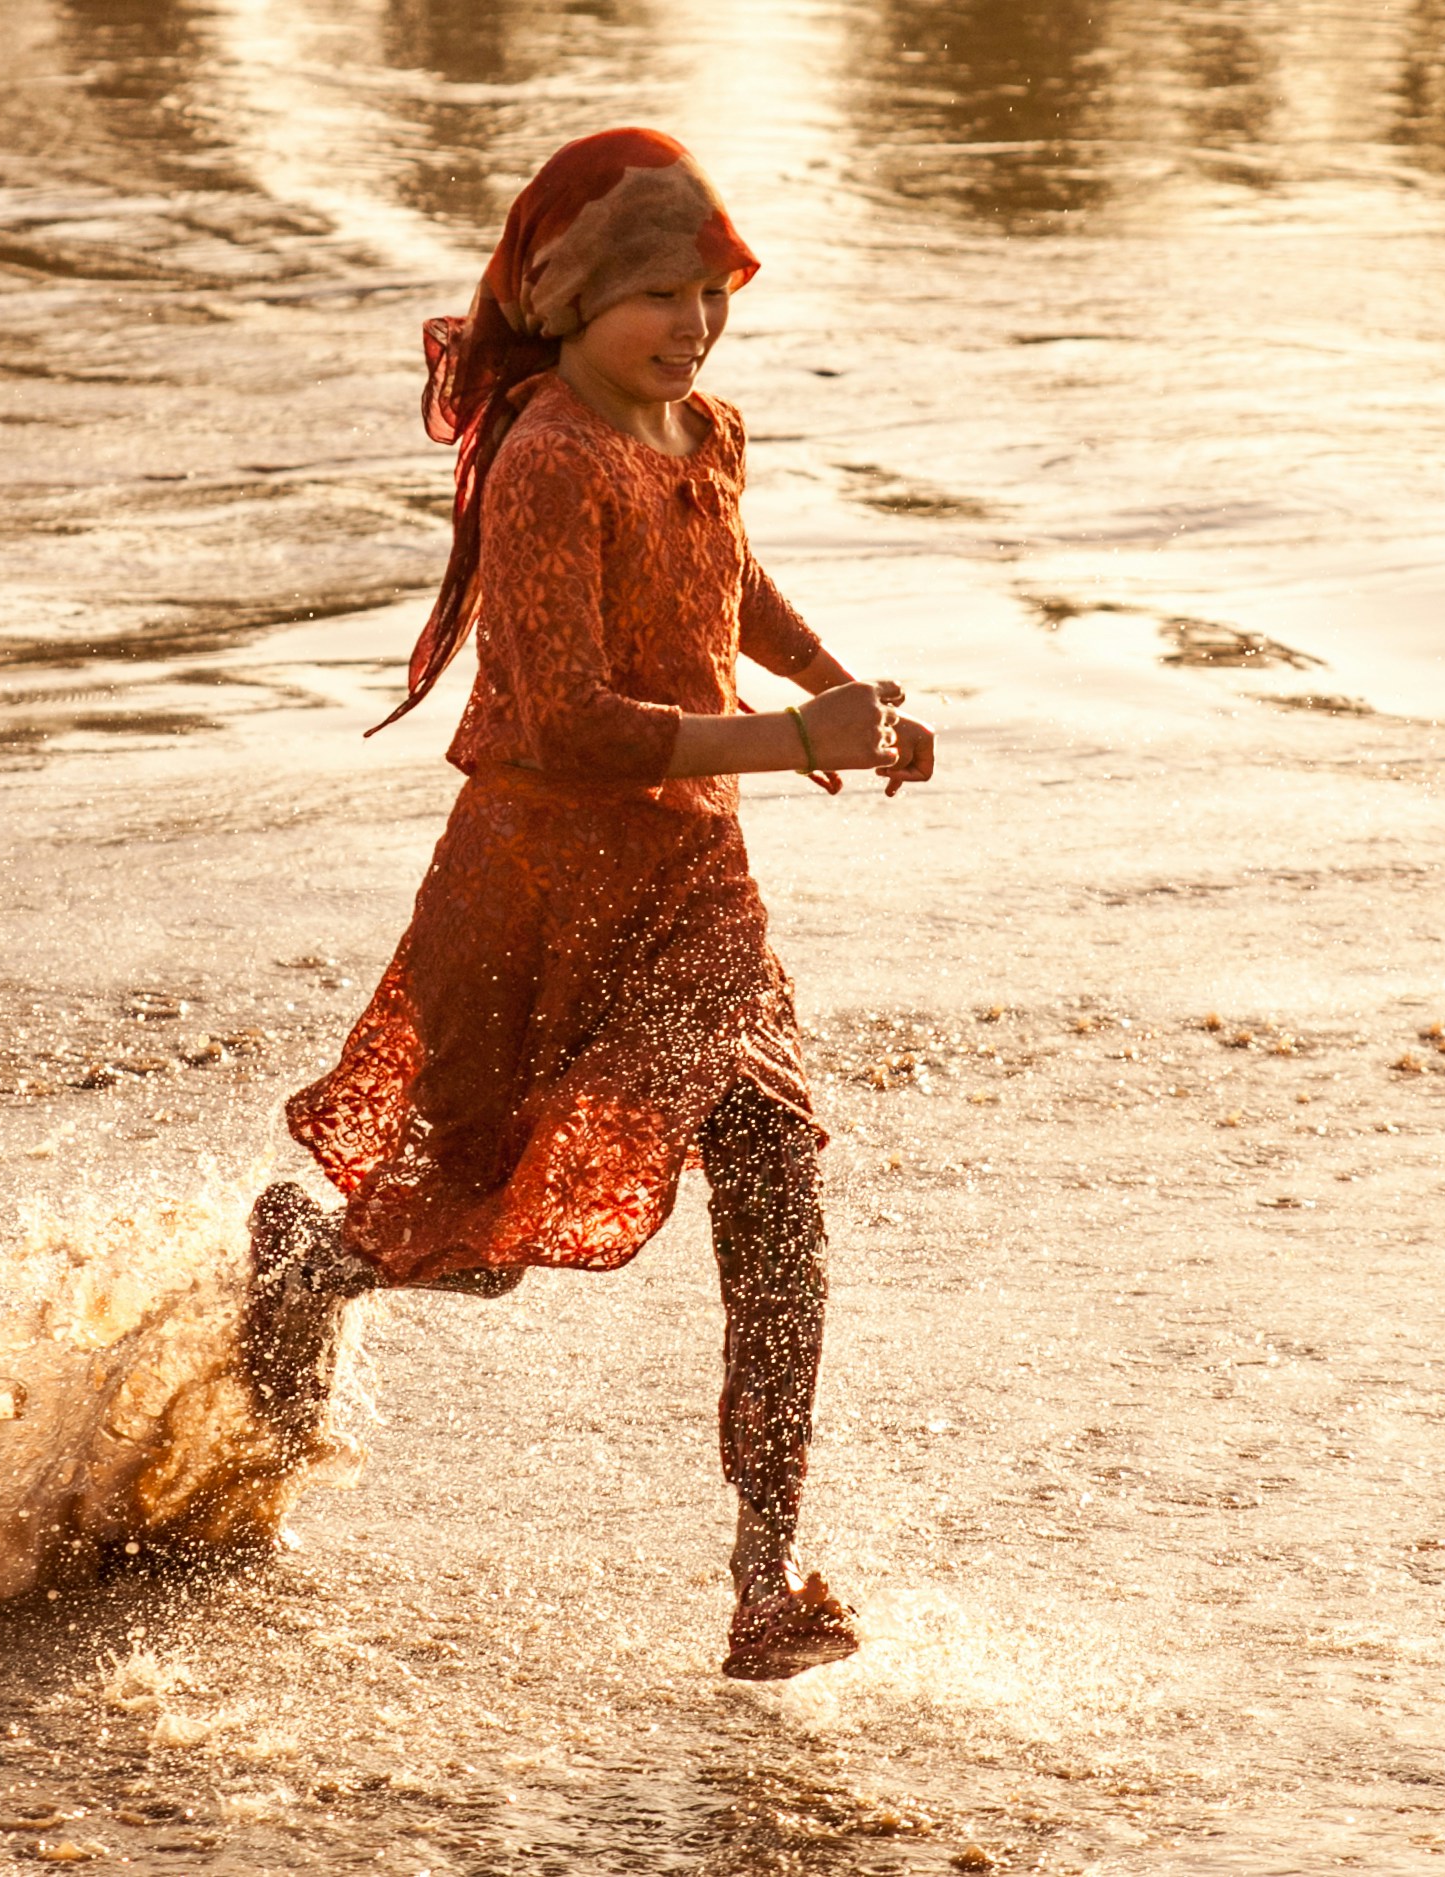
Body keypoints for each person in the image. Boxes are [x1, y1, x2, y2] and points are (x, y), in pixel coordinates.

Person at [242, 127, 934, 1683]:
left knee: (773, 1175)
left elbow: (727, 578)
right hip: (536, 884)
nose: (690, 324)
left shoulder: (706, 429)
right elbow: (568, 724)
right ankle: (309, 1262)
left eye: (711, 291)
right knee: (477, 1235)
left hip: (696, 885)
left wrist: (842, 691)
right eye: (656, 296)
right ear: (563, 304)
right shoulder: (546, 460)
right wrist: (789, 739)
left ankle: (767, 1578)